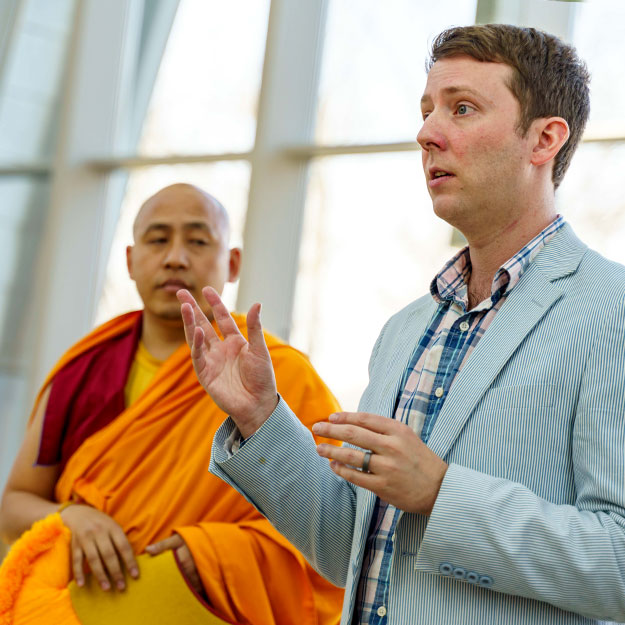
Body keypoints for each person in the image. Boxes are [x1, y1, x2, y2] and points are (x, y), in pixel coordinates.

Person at [176, 25, 625, 625]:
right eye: (427, 111)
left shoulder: (609, 308)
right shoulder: (404, 329)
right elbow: (350, 549)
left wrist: (442, 494)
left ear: (544, 139)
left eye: (462, 108)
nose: (426, 133)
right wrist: (260, 419)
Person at [0, 183, 344, 625]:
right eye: (158, 239)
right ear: (129, 260)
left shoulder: (280, 375)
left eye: (198, 241)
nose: (176, 257)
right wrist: (71, 518)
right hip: (75, 607)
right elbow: (15, 506)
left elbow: (334, 529)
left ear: (232, 262)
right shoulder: (82, 368)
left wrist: (212, 558)